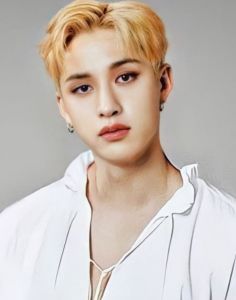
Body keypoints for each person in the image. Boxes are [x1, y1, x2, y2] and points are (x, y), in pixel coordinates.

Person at [0, 0, 236, 299]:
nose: (107, 106)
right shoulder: (16, 228)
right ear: (64, 108)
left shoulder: (226, 236)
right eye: (82, 88)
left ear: (163, 83)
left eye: (125, 77)